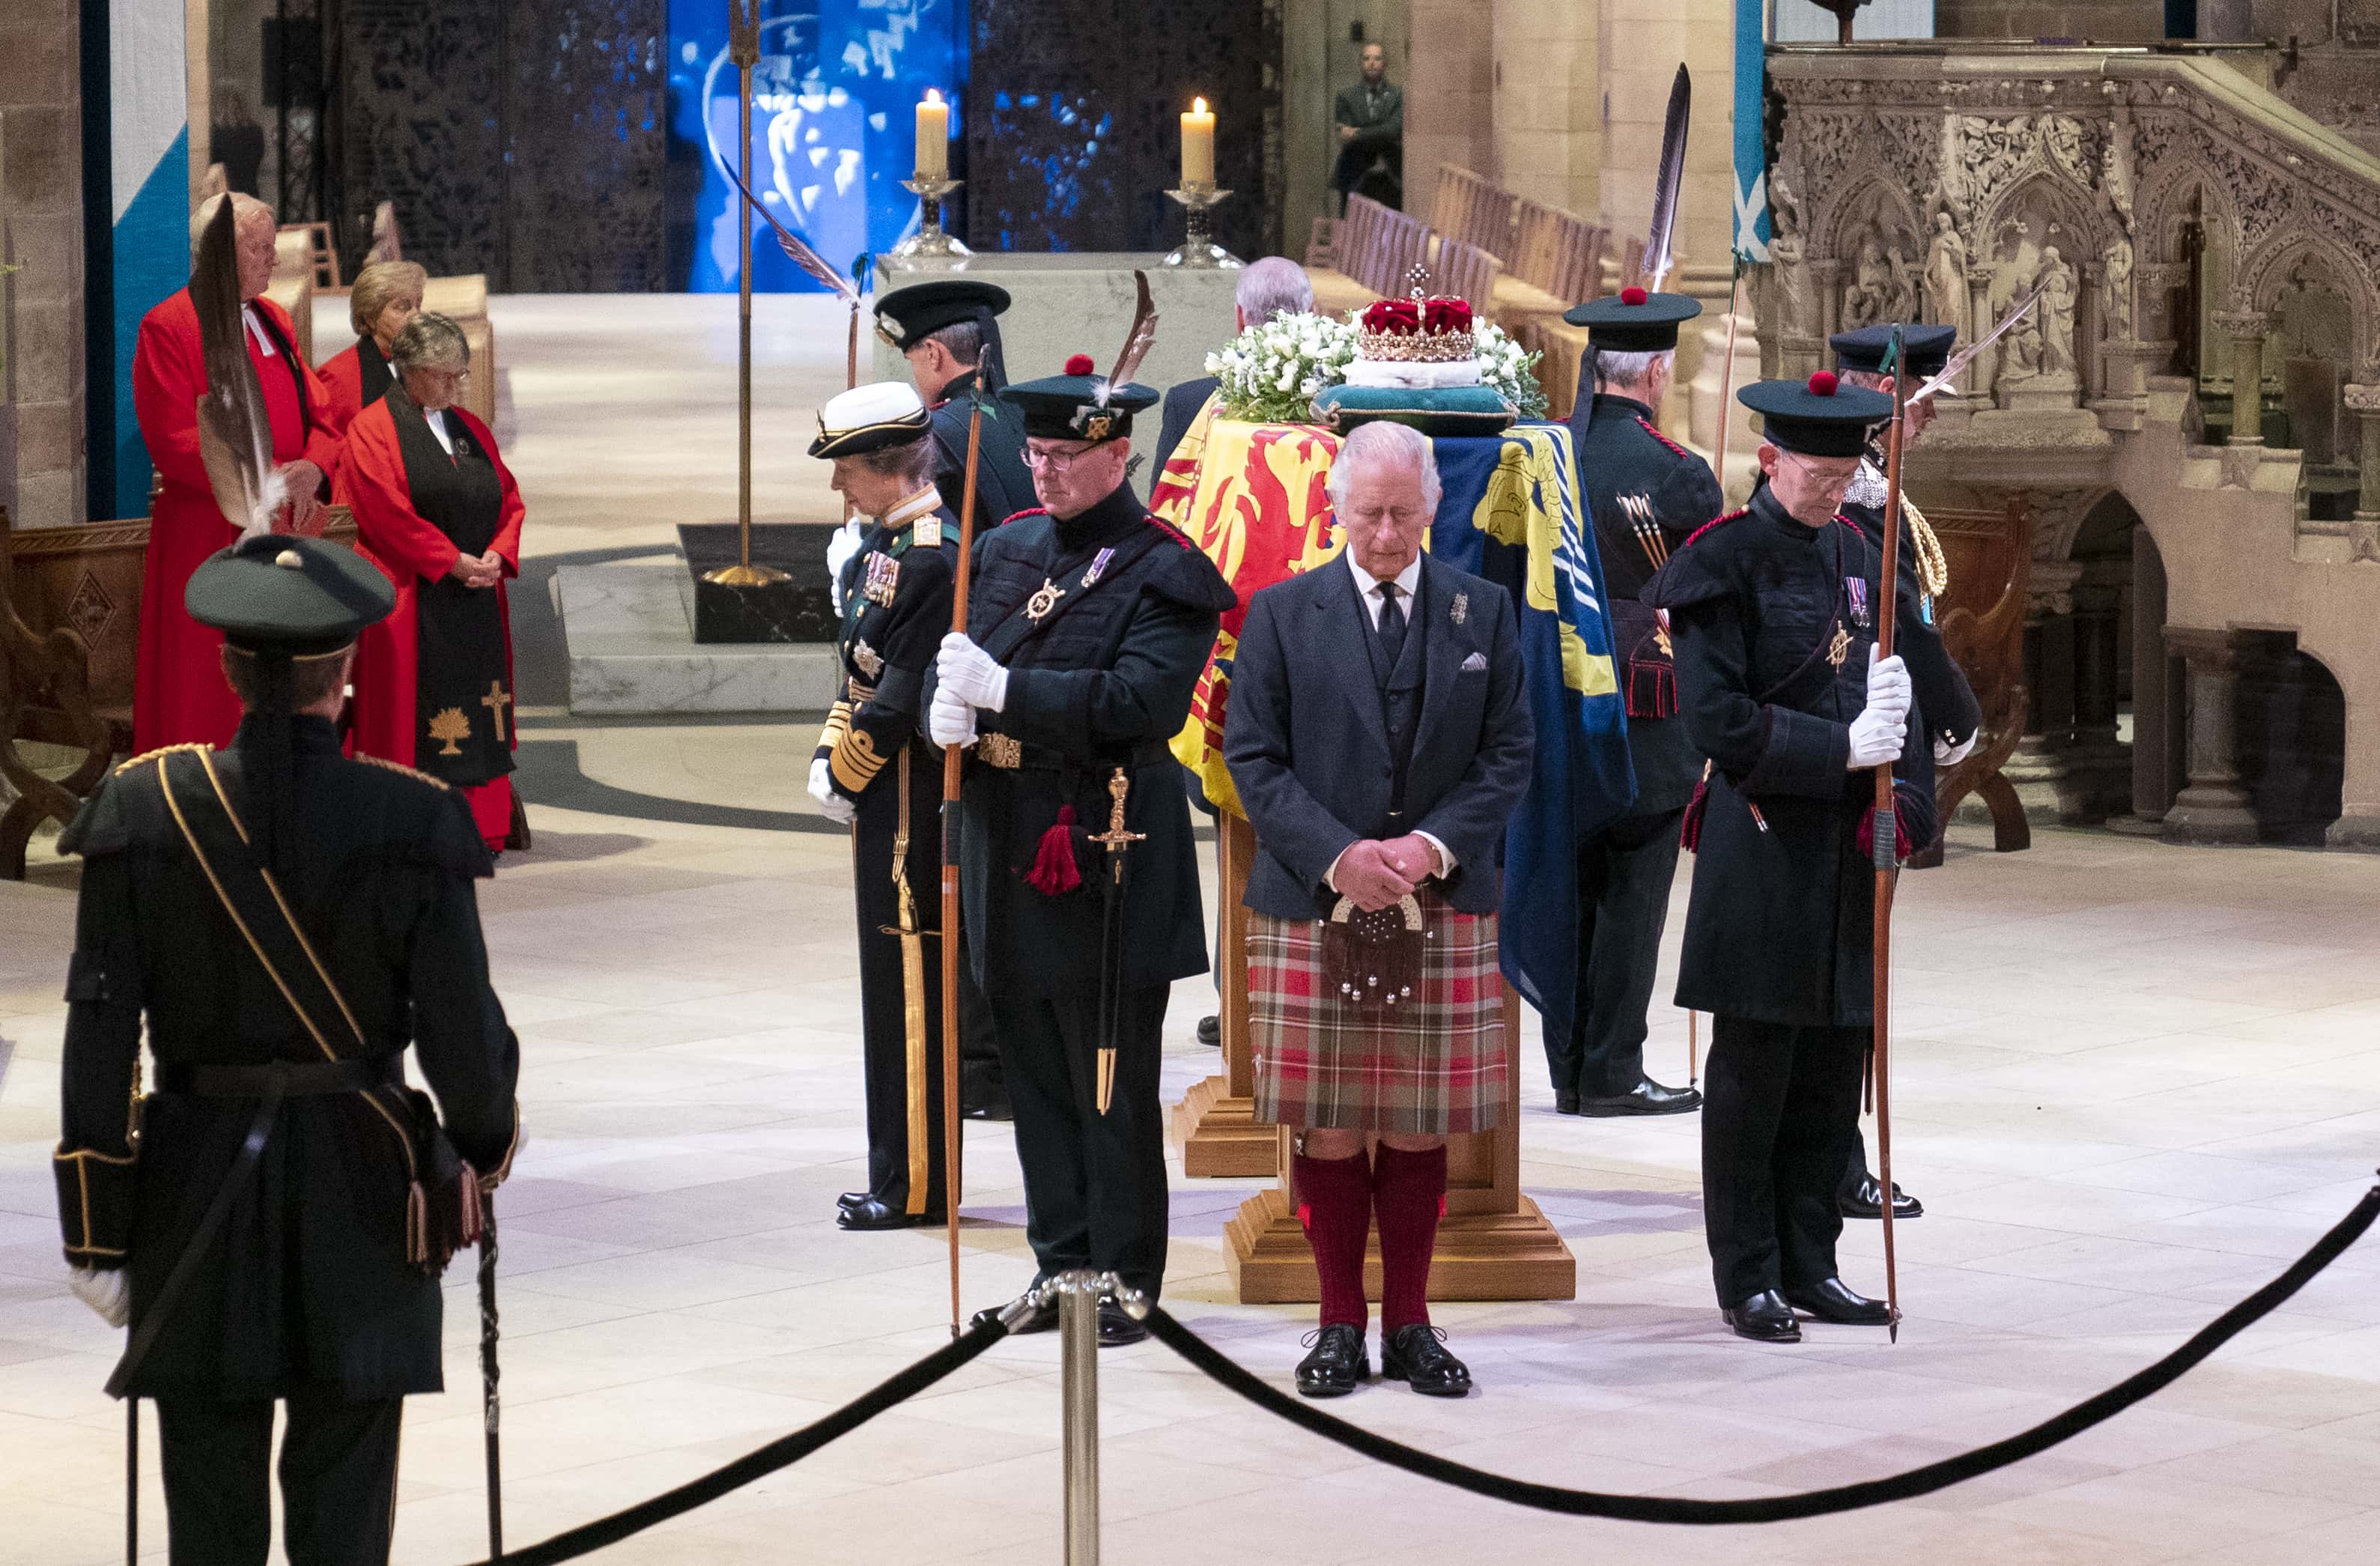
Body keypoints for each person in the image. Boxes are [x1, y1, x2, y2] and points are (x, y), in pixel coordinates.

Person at [54, 533, 520, 1565]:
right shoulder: (415, 815)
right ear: (346, 672)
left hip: (190, 1184)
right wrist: (476, 1156)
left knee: (208, 1515)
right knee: (345, 1506)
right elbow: (462, 1037)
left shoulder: (143, 806)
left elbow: (98, 1031)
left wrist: (95, 1222)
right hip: (362, 1187)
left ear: (227, 667)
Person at [1224, 421, 1533, 1398]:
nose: (1387, 533)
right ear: (1336, 508)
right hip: (1312, 900)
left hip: (1438, 898)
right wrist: (1340, 855)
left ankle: (1409, 1321)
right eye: (1369, 513)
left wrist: (1425, 848)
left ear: (1434, 507)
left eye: (1404, 513)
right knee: (1327, 1125)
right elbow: (1252, 760)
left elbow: (1508, 753)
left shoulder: (1482, 613)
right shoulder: (1279, 614)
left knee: (1411, 1124)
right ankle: (1335, 1323)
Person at [930, 353, 1234, 1345]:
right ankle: (1058, 1262)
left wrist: (1004, 693)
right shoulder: (1012, 546)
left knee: (1105, 1077)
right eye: (1035, 452)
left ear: (1118, 455)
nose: (1045, 472)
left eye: (1064, 455)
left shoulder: (1166, 570)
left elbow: (1138, 701)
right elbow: (970, 655)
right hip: (1005, 839)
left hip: (1104, 849)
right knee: (1030, 1075)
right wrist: (948, 709)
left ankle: (1122, 1275)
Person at [1643, 372, 1937, 1344]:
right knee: (1754, 1071)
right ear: (1768, 460)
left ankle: (1813, 1262)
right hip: (1764, 841)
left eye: (1845, 471)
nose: (1830, 489)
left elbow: (1911, 703)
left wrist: (1909, 805)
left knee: (1828, 1070)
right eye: (1815, 472)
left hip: (1851, 850)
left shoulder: (1866, 553)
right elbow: (1717, 721)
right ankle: (1750, 1275)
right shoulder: (1717, 565)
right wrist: (1836, 749)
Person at [1830, 323, 1984, 1221]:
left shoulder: (1868, 493)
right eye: (1918, 408)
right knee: (1853, 964)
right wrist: (1958, 721)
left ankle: (1836, 1150)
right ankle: (1840, 1157)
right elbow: (1908, 630)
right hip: (1868, 757)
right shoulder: (1860, 507)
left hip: (1882, 745)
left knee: (1857, 964)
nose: (1924, 427)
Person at [1552, 286, 1717, 1119]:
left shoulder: (1547, 455)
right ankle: (1613, 1070)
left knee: (1568, 887)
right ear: (1656, 370)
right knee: (1634, 896)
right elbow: (1699, 600)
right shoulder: (1680, 475)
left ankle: (1568, 1066)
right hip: (1646, 706)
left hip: (1558, 693)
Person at [804, 383, 960, 1230]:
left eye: (847, 471)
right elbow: (861, 672)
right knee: (884, 987)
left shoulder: (929, 556)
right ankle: (894, 1173)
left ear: (891, 469)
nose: (839, 488)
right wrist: (831, 753)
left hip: (907, 808)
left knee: (910, 994)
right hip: (881, 800)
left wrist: (847, 769)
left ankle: (919, 1184)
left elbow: (898, 696)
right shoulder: (886, 544)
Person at [871, 277, 1025, 1120]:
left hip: (963, 674)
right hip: (1023, 672)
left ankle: (979, 1063)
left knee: (959, 869)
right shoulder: (1020, 418)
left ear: (933, 355)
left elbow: (938, 565)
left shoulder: (941, 434)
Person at [132, 192, 348, 754]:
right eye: (259, 248)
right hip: (211, 533)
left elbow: (321, 411)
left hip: (288, 528)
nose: (273, 259)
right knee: (209, 687)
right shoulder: (170, 326)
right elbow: (176, 442)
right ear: (218, 254)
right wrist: (272, 477)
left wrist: (314, 467)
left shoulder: (274, 319)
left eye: (272, 247)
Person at [336, 314, 523, 853]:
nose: (456, 386)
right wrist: (451, 561)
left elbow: (509, 499)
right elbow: (384, 513)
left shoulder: (471, 429)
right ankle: (410, 825)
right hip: (410, 598)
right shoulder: (372, 430)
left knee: (483, 706)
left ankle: (482, 823)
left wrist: (497, 553)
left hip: (477, 598)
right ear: (410, 370)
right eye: (445, 375)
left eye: (461, 375)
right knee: (413, 718)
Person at [875, 279, 1036, 537]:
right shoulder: (1030, 413)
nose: (915, 376)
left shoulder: (930, 435)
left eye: (913, 363)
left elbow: (912, 542)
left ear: (932, 353)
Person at [1150, 257, 1317, 479]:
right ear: (1313, 314)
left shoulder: (1187, 405)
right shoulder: (1337, 405)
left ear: (1240, 318)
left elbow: (1164, 505)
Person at [318, 260, 427, 425]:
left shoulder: (423, 364)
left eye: (418, 305)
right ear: (370, 318)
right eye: (402, 307)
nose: (416, 315)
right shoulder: (337, 378)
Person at [1332, 42, 1404, 213]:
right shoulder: (1346, 97)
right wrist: (1381, 130)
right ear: (1361, 64)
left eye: (1377, 58)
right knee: (1352, 230)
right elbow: (1345, 133)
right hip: (1355, 172)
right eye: (1366, 59)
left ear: (1385, 64)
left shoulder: (1398, 96)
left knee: (1392, 232)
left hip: (1392, 174)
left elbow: (1393, 129)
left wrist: (1358, 131)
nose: (1371, 63)